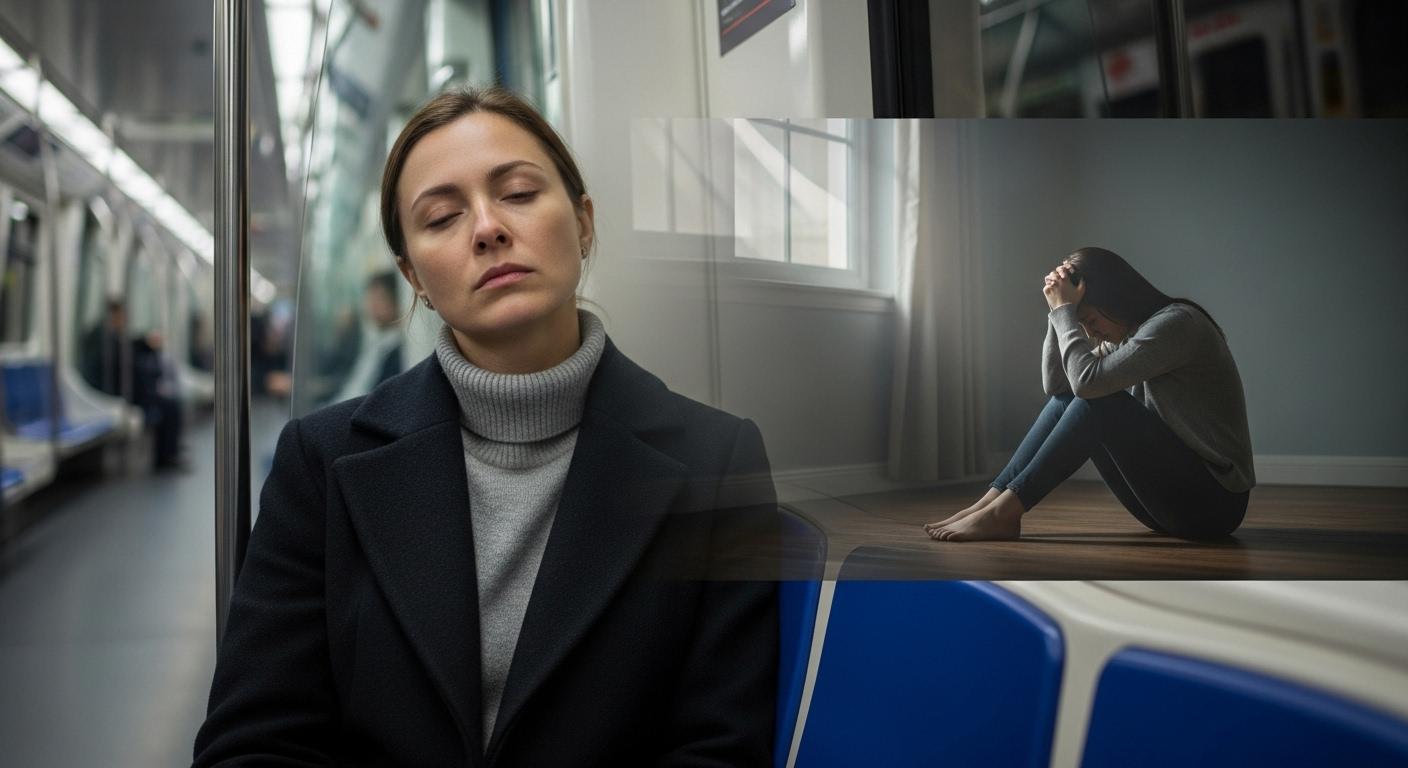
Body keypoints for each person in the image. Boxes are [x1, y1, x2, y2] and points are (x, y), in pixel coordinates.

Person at [194, 86, 779, 766]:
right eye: (442, 216)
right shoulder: (320, 465)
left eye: (520, 194)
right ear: (413, 275)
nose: (487, 228)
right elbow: (254, 744)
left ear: (584, 222)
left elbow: (722, 747)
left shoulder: (718, 460)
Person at [926, 246, 1254, 542]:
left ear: (1116, 298)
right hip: (1168, 506)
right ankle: (991, 503)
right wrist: (1058, 311)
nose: (1089, 333)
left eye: (1091, 320)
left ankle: (1003, 513)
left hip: (1213, 507)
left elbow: (1085, 385)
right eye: (1081, 325)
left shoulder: (1177, 325)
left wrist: (1064, 313)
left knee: (1101, 403)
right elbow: (1059, 386)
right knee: (1075, 398)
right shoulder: (1127, 335)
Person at [324, 271, 405, 404]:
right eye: (370, 298)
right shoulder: (372, 341)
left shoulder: (397, 351)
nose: (372, 306)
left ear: (396, 301)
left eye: (379, 299)